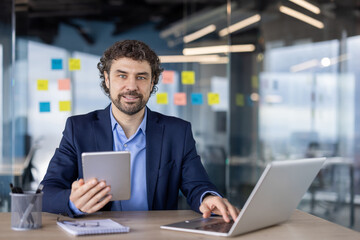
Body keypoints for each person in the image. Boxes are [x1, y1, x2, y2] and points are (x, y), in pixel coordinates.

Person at [41, 40, 239, 222]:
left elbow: (198, 185)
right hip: (97, 234)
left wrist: (209, 198)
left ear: (152, 83)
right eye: (122, 76)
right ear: (107, 79)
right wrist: (73, 202)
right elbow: (46, 193)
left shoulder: (178, 132)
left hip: (155, 234)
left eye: (141, 77)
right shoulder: (78, 129)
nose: (132, 86)